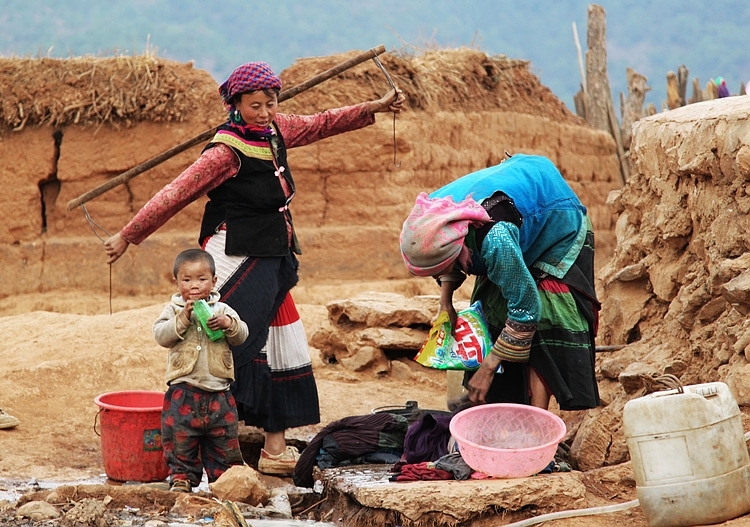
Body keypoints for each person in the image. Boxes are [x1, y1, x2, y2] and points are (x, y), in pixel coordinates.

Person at [104, 61, 405, 476]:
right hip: (231, 252)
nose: (265, 112)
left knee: (280, 337)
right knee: (217, 337)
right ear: (236, 105)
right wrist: (127, 235)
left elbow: (321, 123)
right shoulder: (224, 151)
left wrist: (377, 106)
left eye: (271, 102)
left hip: (270, 251)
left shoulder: (276, 130)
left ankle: (272, 447)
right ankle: (190, 443)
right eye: (254, 105)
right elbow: (175, 194)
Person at [400, 153, 600, 412]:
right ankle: (503, 406)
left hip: (555, 220)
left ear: (457, 249)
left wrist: (488, 367)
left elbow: (527, 311)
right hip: (511, 219)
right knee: (490, 309)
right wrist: (445, 302)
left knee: (546, 315)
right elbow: (448, 262)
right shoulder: (430, 221)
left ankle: (535, 421)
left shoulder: (496, 240)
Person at [154, 248, 249, 492]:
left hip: (219, 392)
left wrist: (228, 324)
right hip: (183, 391)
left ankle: (224, 482)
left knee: (224, 441)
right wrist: (183, 318)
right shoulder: (173, 310)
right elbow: (161, 336)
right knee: (179, 438)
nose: (194, 286)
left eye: (202, 279)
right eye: (187, 280)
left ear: (214, 281)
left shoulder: (222, 309)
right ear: (176, 282)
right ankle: (182, 479)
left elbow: (242, 335)